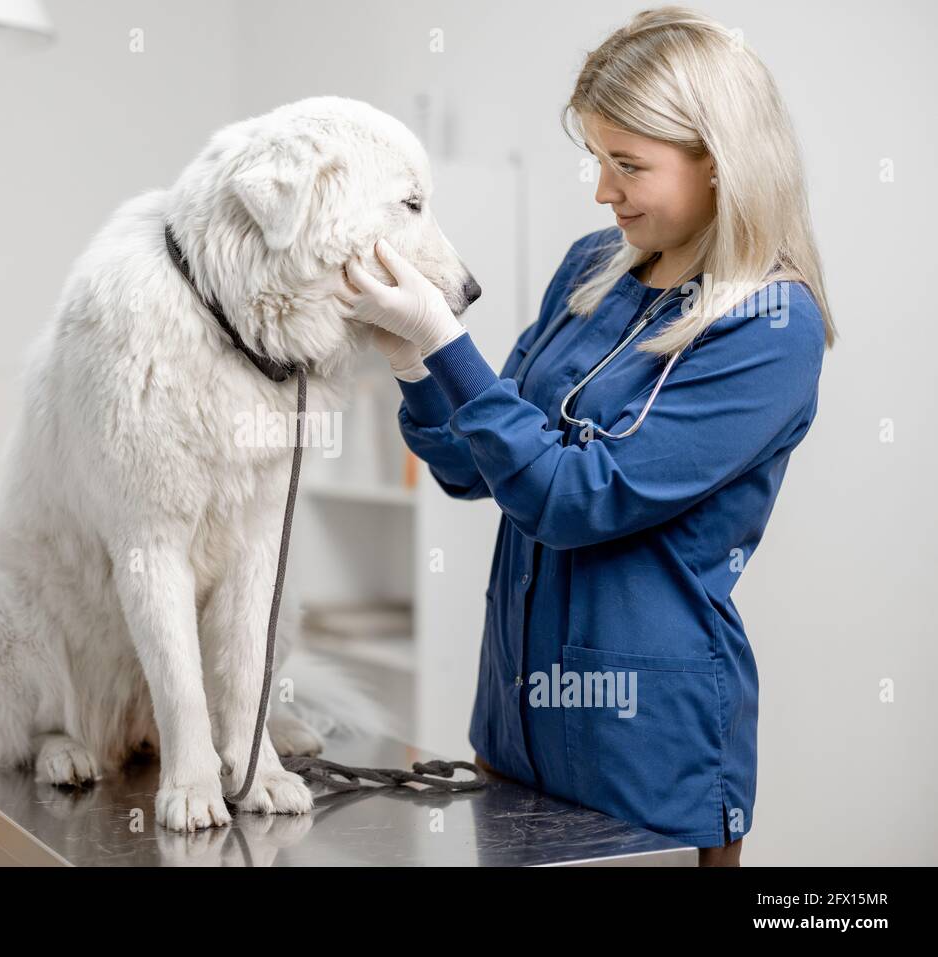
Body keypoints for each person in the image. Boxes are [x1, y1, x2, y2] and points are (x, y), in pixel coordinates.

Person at [342, 6, 837, 866]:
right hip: (512, 723)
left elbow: (576, 498)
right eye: (598, 160)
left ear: (719, 165)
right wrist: (418, 368)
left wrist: (447, 344)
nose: (602, 191)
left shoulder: (771, 325)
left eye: (628, 165)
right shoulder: (590, 268)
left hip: (643, 752)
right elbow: (473, 468)